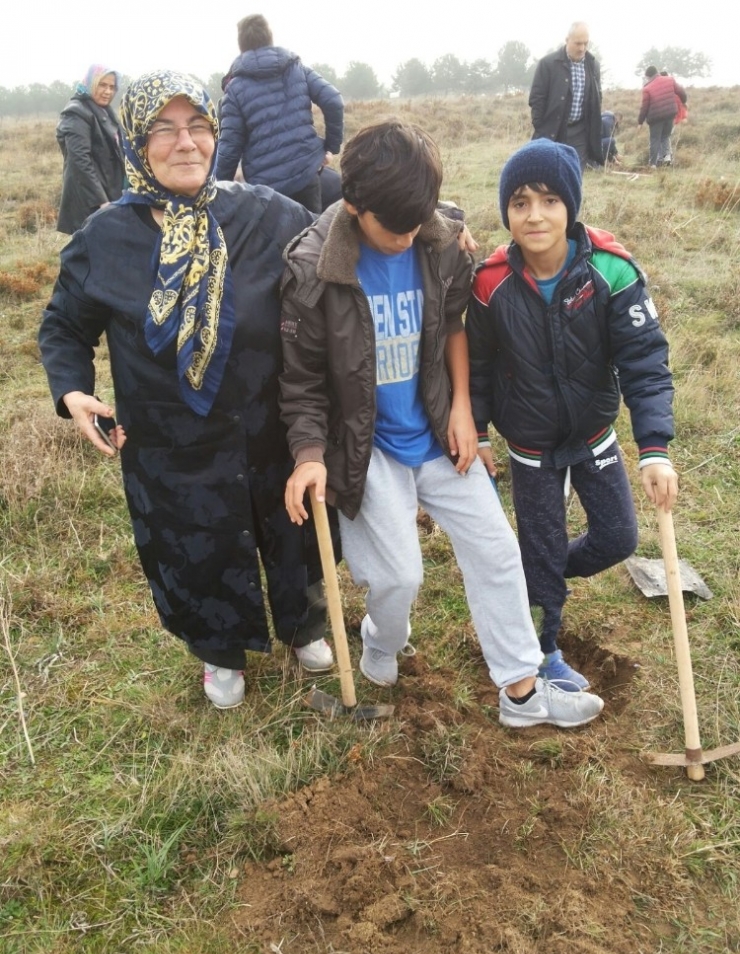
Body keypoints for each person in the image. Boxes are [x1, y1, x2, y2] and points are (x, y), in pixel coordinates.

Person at [279, 121, 604, 729]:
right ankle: (380, 637)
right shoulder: (311, 271)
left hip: (434, 430)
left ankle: (522, 693)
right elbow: (299, 382)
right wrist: (308, 455)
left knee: (498, 552)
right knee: (399, 578)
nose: (406, 238)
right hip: (367, 447)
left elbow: (454, 321)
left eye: (417, 223)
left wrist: (461, 408)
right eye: (392, 227)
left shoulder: (437, 237)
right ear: (353, 206)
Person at [39, 70, 335, 710]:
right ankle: (218, 650)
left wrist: (435, 223)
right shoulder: (104, 239)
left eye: (198, 126)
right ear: (136, 145)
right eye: (163, 131)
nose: (186, 143)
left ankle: (304, 622)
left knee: (292, 528)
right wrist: (73, 392)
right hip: (171, 443)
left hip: (269, 423)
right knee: (192, 542)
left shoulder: (264, 213)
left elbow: (339, 233)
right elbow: (64, 325)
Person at [466, 139, 679, 689]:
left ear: (571, 205)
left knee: (617, 539)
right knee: (539, 556)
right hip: (530, 448)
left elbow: (644, 362)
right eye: (519, 202)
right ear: (506, 211)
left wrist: (654, 449)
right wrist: (481, 434)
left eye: (549, 200)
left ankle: (537, 576)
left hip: (595, 436)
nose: (534, 215)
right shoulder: (490, 284)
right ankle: (542, 650)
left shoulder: (612, 271)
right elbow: (478, 366)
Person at [215, 13, 344, 212]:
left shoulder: (235, 89)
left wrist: (216, 192)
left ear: (241, 45)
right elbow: (333, 100)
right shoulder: (296, 68)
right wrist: (329, 147)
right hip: (306, 174)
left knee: (278, 241)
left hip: (267, 190)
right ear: (269, 37)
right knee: (311, 236)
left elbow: (229, 148)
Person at [56, 64, 125, 234]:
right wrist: (101, 201)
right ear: (90, 83)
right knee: (92, 253)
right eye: (102, 85)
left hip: (111, 192)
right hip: (90, 200)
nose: (108, 91)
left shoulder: (106, 111)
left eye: (112, 87)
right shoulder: (76, 112)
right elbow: (79, 160)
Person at [529, 22, 602, 171]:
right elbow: (537, 98)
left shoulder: (593, 65)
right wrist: (541, 126)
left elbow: (597, 96)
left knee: (574, 176)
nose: (582, 48)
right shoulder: (548, 64)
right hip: (552, 131)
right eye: (578, 43)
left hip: (580, 133)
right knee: (550, 176)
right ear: (567, 40)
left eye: (585, 43)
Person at [638, 66, 687, 167]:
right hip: (670, 114)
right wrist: (684, 101)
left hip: (655, 117)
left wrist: (640, 121)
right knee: (665, 136)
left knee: (655, 139)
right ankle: (667, 157)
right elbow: (681, 92)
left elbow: (644, 107)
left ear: (648, 76)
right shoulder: (670, 80)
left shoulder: (647, 88)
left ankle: (652, 164)